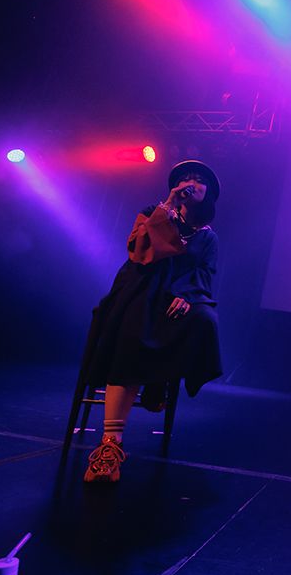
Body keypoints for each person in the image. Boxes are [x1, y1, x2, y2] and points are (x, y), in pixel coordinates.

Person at [80, 160, 223, 483]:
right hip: (142, 288)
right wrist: (169, 205)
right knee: (133, 332)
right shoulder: (152, 213)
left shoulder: (208, 237)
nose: (191, 184)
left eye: (199, 180)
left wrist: (185, 294)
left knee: (204, 319)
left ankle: (159, 379)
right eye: (185, 179)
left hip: (177, 296)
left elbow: (204, 273)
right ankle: (111, 443)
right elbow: (138, 251)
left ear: (209, 193)